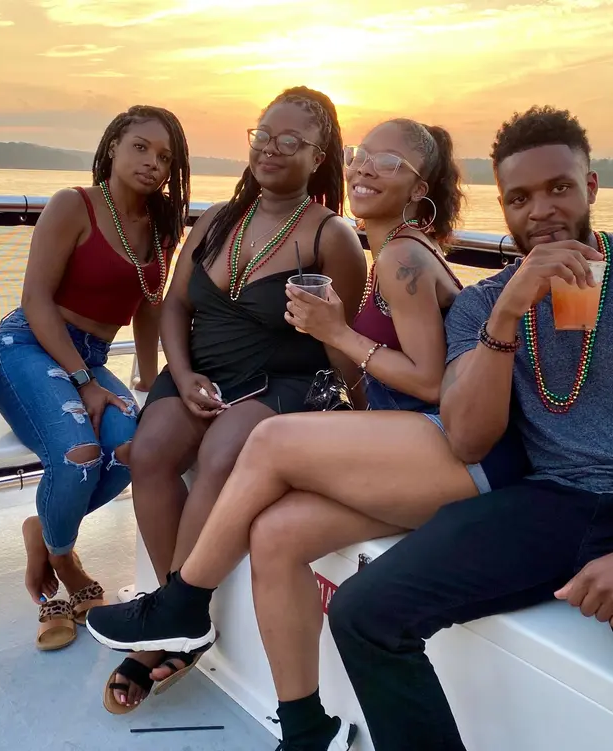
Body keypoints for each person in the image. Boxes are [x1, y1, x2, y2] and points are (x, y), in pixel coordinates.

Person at [321, 106, 613, 751]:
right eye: (519, 198)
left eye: (559, 187)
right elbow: (467, 439)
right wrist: (506, 316)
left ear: (591, 187)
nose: (542, 210)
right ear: (503, 207)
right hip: (550, 501)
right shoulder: (482, 303)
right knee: (363, 613)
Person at [86, 118, 528, 747]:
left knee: (269, 442)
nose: (366, 168)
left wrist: (336, 331)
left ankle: (181, 601)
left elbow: (431, 382)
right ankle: (304, 729)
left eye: (389, 163)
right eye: (362, 154)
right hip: (420, 447)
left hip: (465, 453)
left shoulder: (401, 256)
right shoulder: (392, 250)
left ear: (418, 187)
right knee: (275, 533)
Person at [96, 86, 368, 714]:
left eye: (291, 141)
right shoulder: (218, 219)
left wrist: (361, 412)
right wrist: (181, 372)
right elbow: (174, 306)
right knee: (150, 452)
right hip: (201, 370)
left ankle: (170, 618)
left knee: (221, 452)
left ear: (319, 154)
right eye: (262, 135)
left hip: (284, 379)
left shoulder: (333, 237)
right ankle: (178, 617)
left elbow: (342, 340)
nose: (271, 148)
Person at [0, 105, 191, 651]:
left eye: (164, 157)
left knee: (136, 450)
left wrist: (149, 383)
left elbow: (149, 307)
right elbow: (35, 299)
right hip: (28, 345)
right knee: (78, 455)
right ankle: (65, 567)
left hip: (92, 359)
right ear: (114, 145)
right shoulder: (72, 205)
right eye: (140, 147)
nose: (152, 163)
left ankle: (45, 533)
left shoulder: (160, 225)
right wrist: (83, 381)